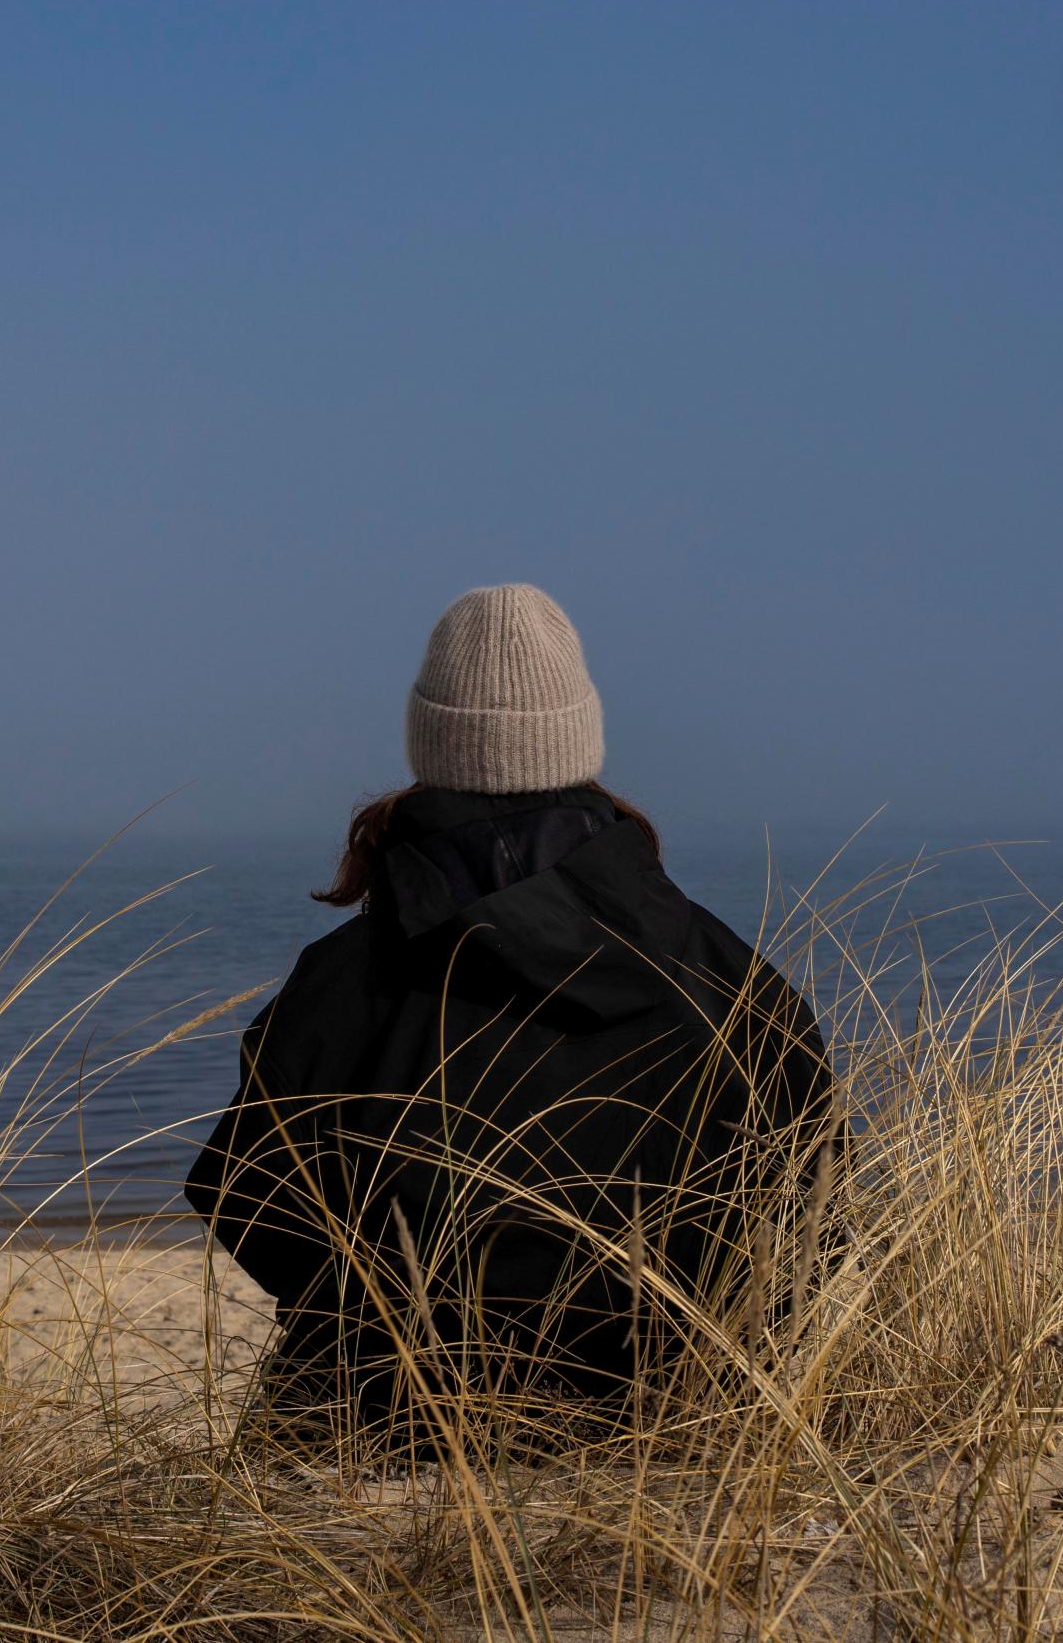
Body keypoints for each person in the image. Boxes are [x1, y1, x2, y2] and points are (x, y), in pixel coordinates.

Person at [185, 584, 835, 1447]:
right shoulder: (727, 975)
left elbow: (250, 1196)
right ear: (579, 740)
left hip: (383, 1431)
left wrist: (380, 1325)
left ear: (431, 746)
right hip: (674, 1440)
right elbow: (808, 1215)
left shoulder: (341, 981)